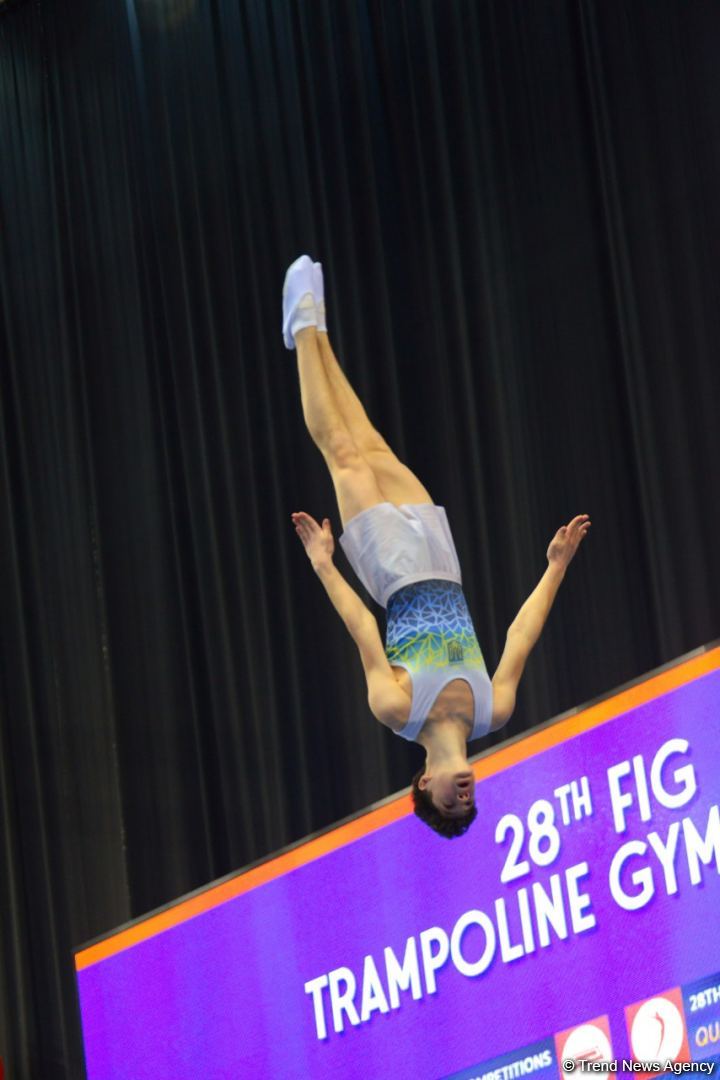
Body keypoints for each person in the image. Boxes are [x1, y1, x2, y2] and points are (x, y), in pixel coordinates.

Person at [283, 255, 590, 838]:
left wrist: (325, 565)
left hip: (392, 572)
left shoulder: (397, 711)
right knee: (370, 441)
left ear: (424, 786)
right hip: (441, 563)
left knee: (342, 454)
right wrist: (555, 569)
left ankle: (300, 329)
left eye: (451, 805)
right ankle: (318, 328)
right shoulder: (492, 709)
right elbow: (520, 636)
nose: (465, 798)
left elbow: (363, 631)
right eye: (469, 806)